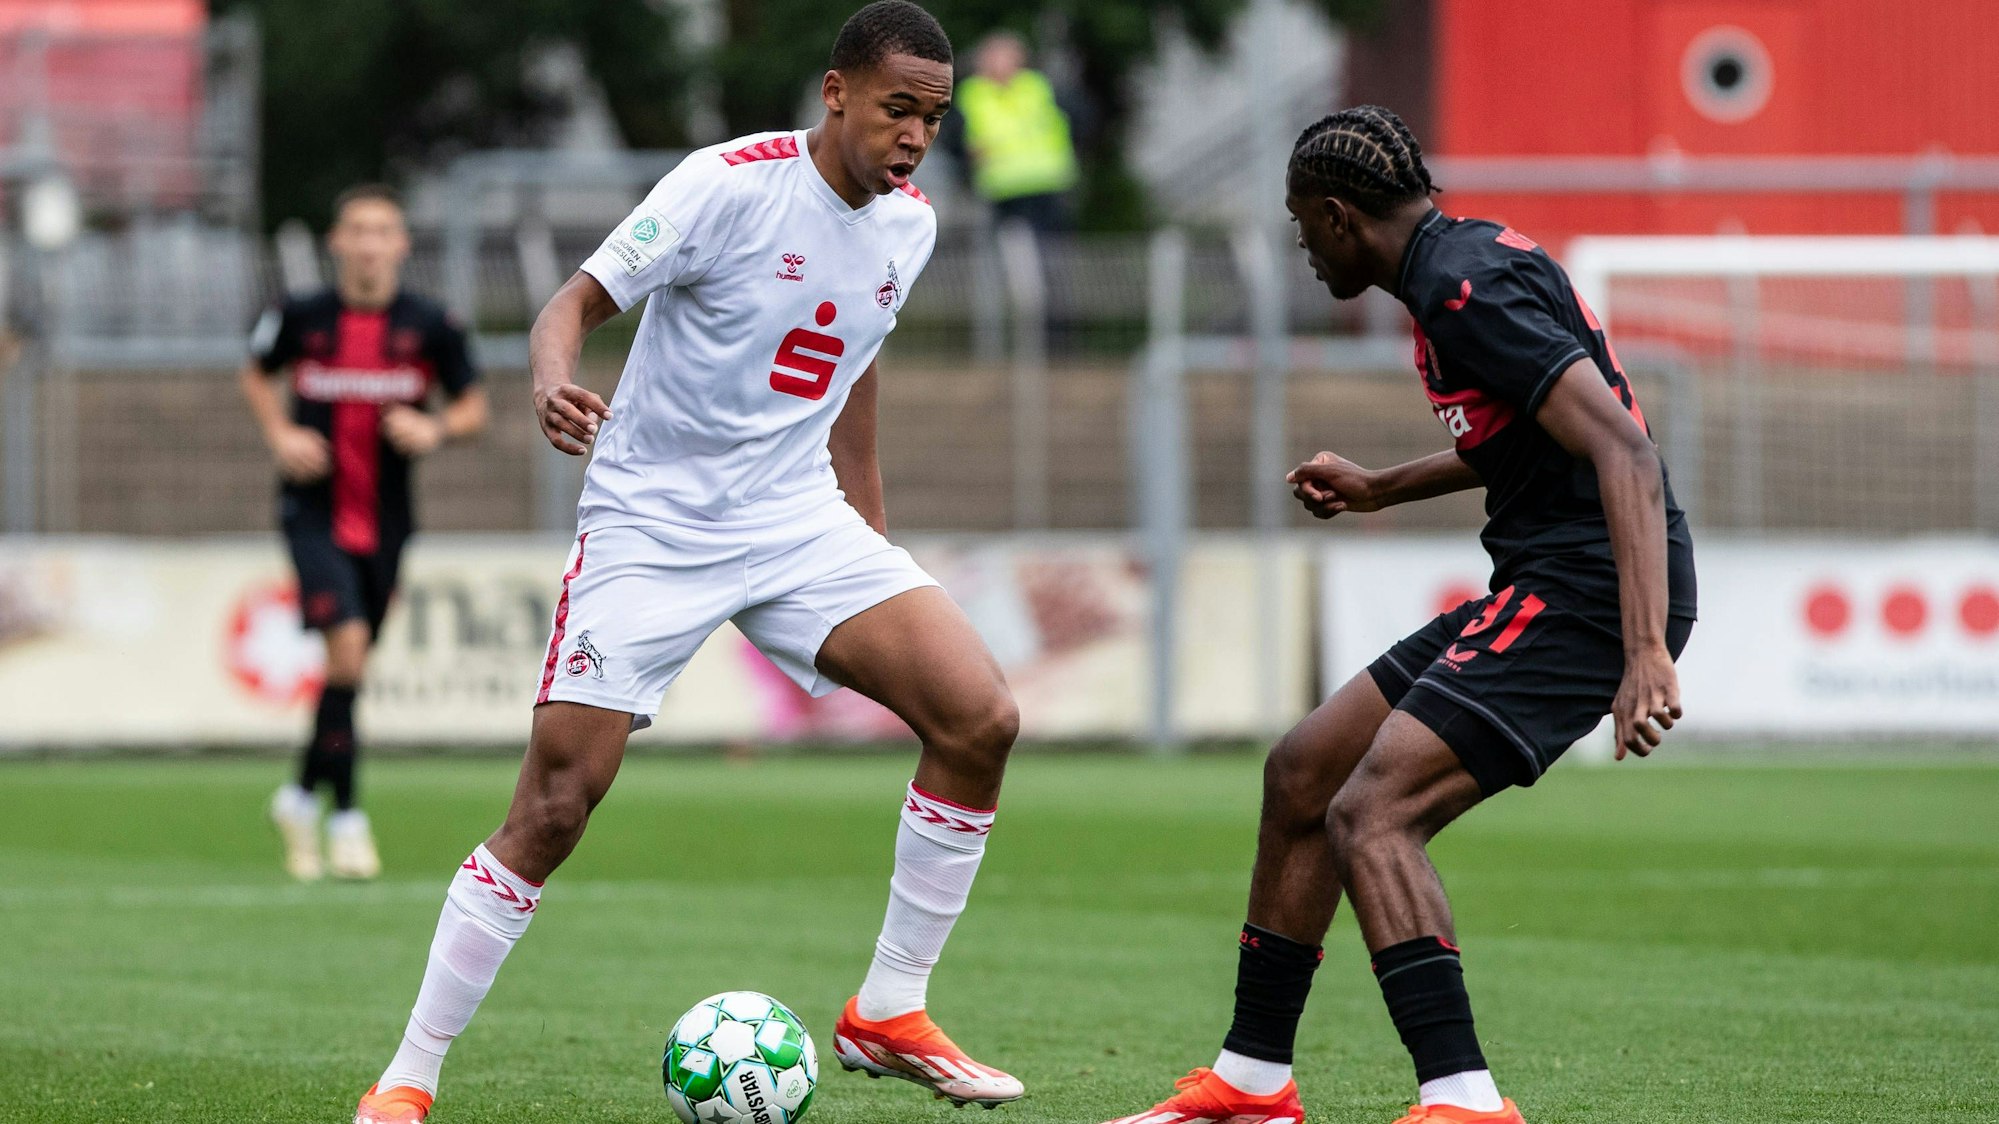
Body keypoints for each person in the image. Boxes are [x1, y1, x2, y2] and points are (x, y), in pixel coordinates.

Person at [353, 5, 1025, 1122]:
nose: (915, 136)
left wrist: (873, 534)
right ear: (837, 92)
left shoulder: (912, 226)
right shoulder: (727, 184)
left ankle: (888, 1007)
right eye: (898, 108)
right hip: (653, 524)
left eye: (934, 118)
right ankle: (410, 1072)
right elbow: (571, 303)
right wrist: (548, 381)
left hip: (796, 518)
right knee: (558, 801)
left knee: (980, 715)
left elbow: (852, 374)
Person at [1103, 105, 1698, 1124]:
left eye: (1300, 229)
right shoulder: (1458, 263)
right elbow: (1526, 431)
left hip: (1592, 590)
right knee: (1305, 767)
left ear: (1339, 217)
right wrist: (1381, 487)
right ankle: (1251, 1082)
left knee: (1372, 812)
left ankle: (1463, 1098)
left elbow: (1624, 452)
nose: (1302, 250)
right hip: (1546, 577)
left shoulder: (1461, 288)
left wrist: (1643, 647)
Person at [243, 184, 487, 883]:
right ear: (337, 241)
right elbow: (256, 375)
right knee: (346, 653)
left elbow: (473, 406)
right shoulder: (300, 315)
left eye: (384, 230)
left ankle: (296, 796)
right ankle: (347, 816)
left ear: (401, 245)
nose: (371, 243)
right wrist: (280, 432)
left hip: (387, 518)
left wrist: (434, 426)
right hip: (311, 513)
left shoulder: (432, 323)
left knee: (350, 669)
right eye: (358, 229)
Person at [956, 30, 1078, 233]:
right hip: (1003, 187)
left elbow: (1074, 121)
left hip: (1049, 180)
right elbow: (957, 138)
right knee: (1014, 249)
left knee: (1053, 248)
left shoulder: (1038, 85)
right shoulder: (972, 92)